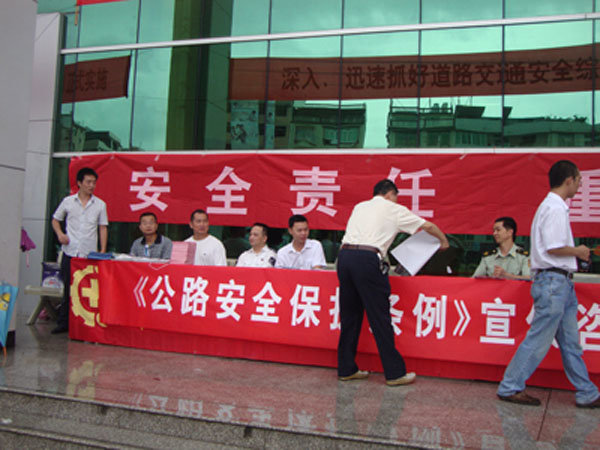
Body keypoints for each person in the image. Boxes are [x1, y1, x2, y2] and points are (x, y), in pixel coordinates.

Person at [497, 160, 599, 408]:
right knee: (540, 338)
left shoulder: (553, 206)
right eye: (578, 179)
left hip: (559, 282)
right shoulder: (554, 208)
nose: (580, 184)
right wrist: (579, 251)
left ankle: (587, 392)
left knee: (570, 342)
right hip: (554, 282)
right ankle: (510, 386)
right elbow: (554, 247)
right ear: (568, 180)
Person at [337, 179, 449, 386]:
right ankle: (395, 373)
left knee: (350, 316)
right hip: (367, 260)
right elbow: (428, 226)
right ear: (390, 194)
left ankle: (346, 368)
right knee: (380, 317)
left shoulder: (360, 206)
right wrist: (443, 241)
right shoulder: (393, 209)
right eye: (396, 196)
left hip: (344, 258)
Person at [51, 167, 108, 334]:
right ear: (79, 183)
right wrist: (60, 234)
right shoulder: (68, 201)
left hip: (89, 255)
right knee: (68, 289)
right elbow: (55, 220)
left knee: (88, 288)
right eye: (88, 182)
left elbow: (102, 228)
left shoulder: (100, 204)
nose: (91, 185)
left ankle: (85, 323)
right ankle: (64, 323)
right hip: (70, 252)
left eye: (94, 182)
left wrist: (103, 250)